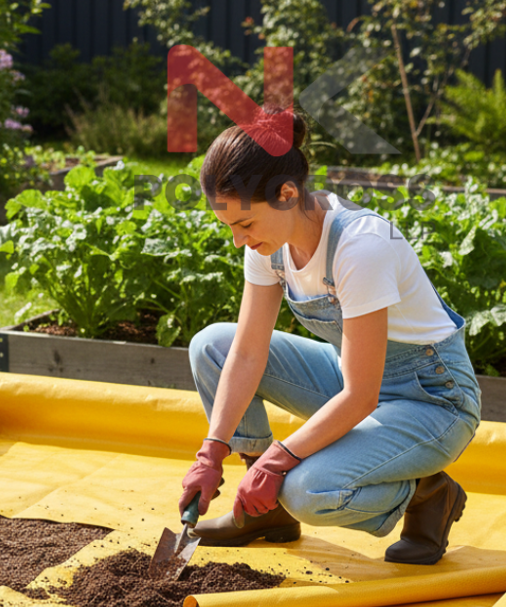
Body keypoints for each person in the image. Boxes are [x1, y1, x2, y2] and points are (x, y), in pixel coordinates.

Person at [179, 109, 481, 565]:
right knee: (213, 346)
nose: (239, 241)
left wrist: (278, 460)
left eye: (246, 225)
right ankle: (263, 513)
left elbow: (360, 397)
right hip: (357, 382)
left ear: (286, 194)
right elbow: (246, 353)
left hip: (431, 400)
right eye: (231, 227)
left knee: (308, 490)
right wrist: (213, 449)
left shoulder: (361, 245)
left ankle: (426, 493)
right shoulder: (269, 242)